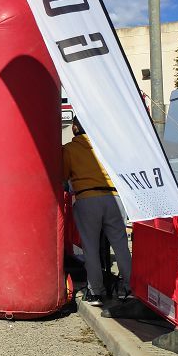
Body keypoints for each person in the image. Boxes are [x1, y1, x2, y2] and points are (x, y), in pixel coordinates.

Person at [63, 117, 132, 306]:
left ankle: (95, 292)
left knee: (90, 247)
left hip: (87, 198)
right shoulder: (105, 146)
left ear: (75, 127)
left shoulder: (70, 149)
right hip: (114, 198)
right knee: (120, 245)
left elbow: (63, 175)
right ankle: (130, 287)